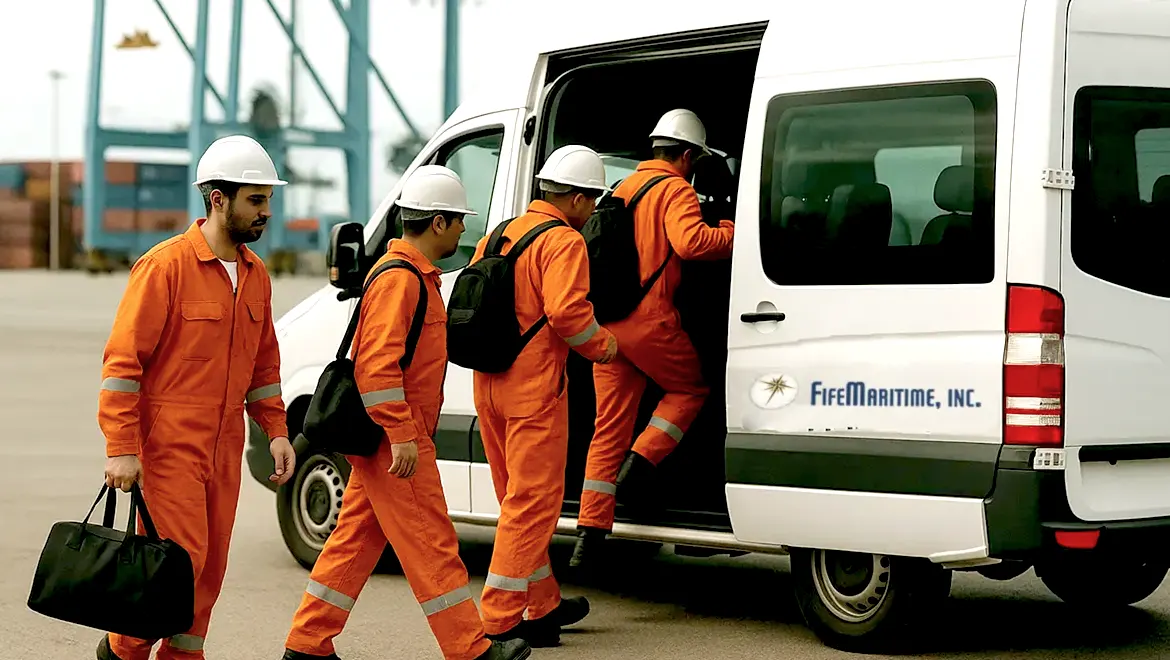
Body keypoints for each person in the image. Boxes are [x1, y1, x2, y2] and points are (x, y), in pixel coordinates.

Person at [281, 165, 531, 660]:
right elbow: (376, 370)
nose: (463, 228)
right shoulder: (403, 281)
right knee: (433, 543)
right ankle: (470, 650)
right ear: (437, 223)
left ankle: (308, 644)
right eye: (458, 220)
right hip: (398, 442)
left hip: (388, 441)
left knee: (352, 542)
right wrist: (401, 435)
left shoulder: (409, 276)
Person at [95, 135, 297, 660]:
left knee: (209, 569)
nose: (266, 212)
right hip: (170, 446)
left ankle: (182, 655)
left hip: (225, 444)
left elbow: (264, 367)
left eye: (268, 200)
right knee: (178, 562)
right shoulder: (165, 267)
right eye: (256, 200)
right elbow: (122, 365)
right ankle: (125, 650)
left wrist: (275, 430)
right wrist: (121, 447)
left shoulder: (256, 276)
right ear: (217, 199)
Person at [570, 109, 735, 569]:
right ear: (686, 156)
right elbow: (691, 244)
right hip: (651, 322)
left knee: (607, 430)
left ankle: (590, 534)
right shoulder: (675, 189)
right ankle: (641, 464)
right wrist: (731, 232)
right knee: (689, 389)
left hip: (608, 326)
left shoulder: (619, 189)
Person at [472, 145, 619, 648]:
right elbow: (568, 315)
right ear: (576, 198)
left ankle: (543, 606)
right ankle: (499, 620)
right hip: (533, 389)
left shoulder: (499, 232)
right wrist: (605, 347)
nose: (594, 209)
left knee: (514, 498)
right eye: (593, 199)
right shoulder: (564, 243)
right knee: (531, 505)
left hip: (488, 382)